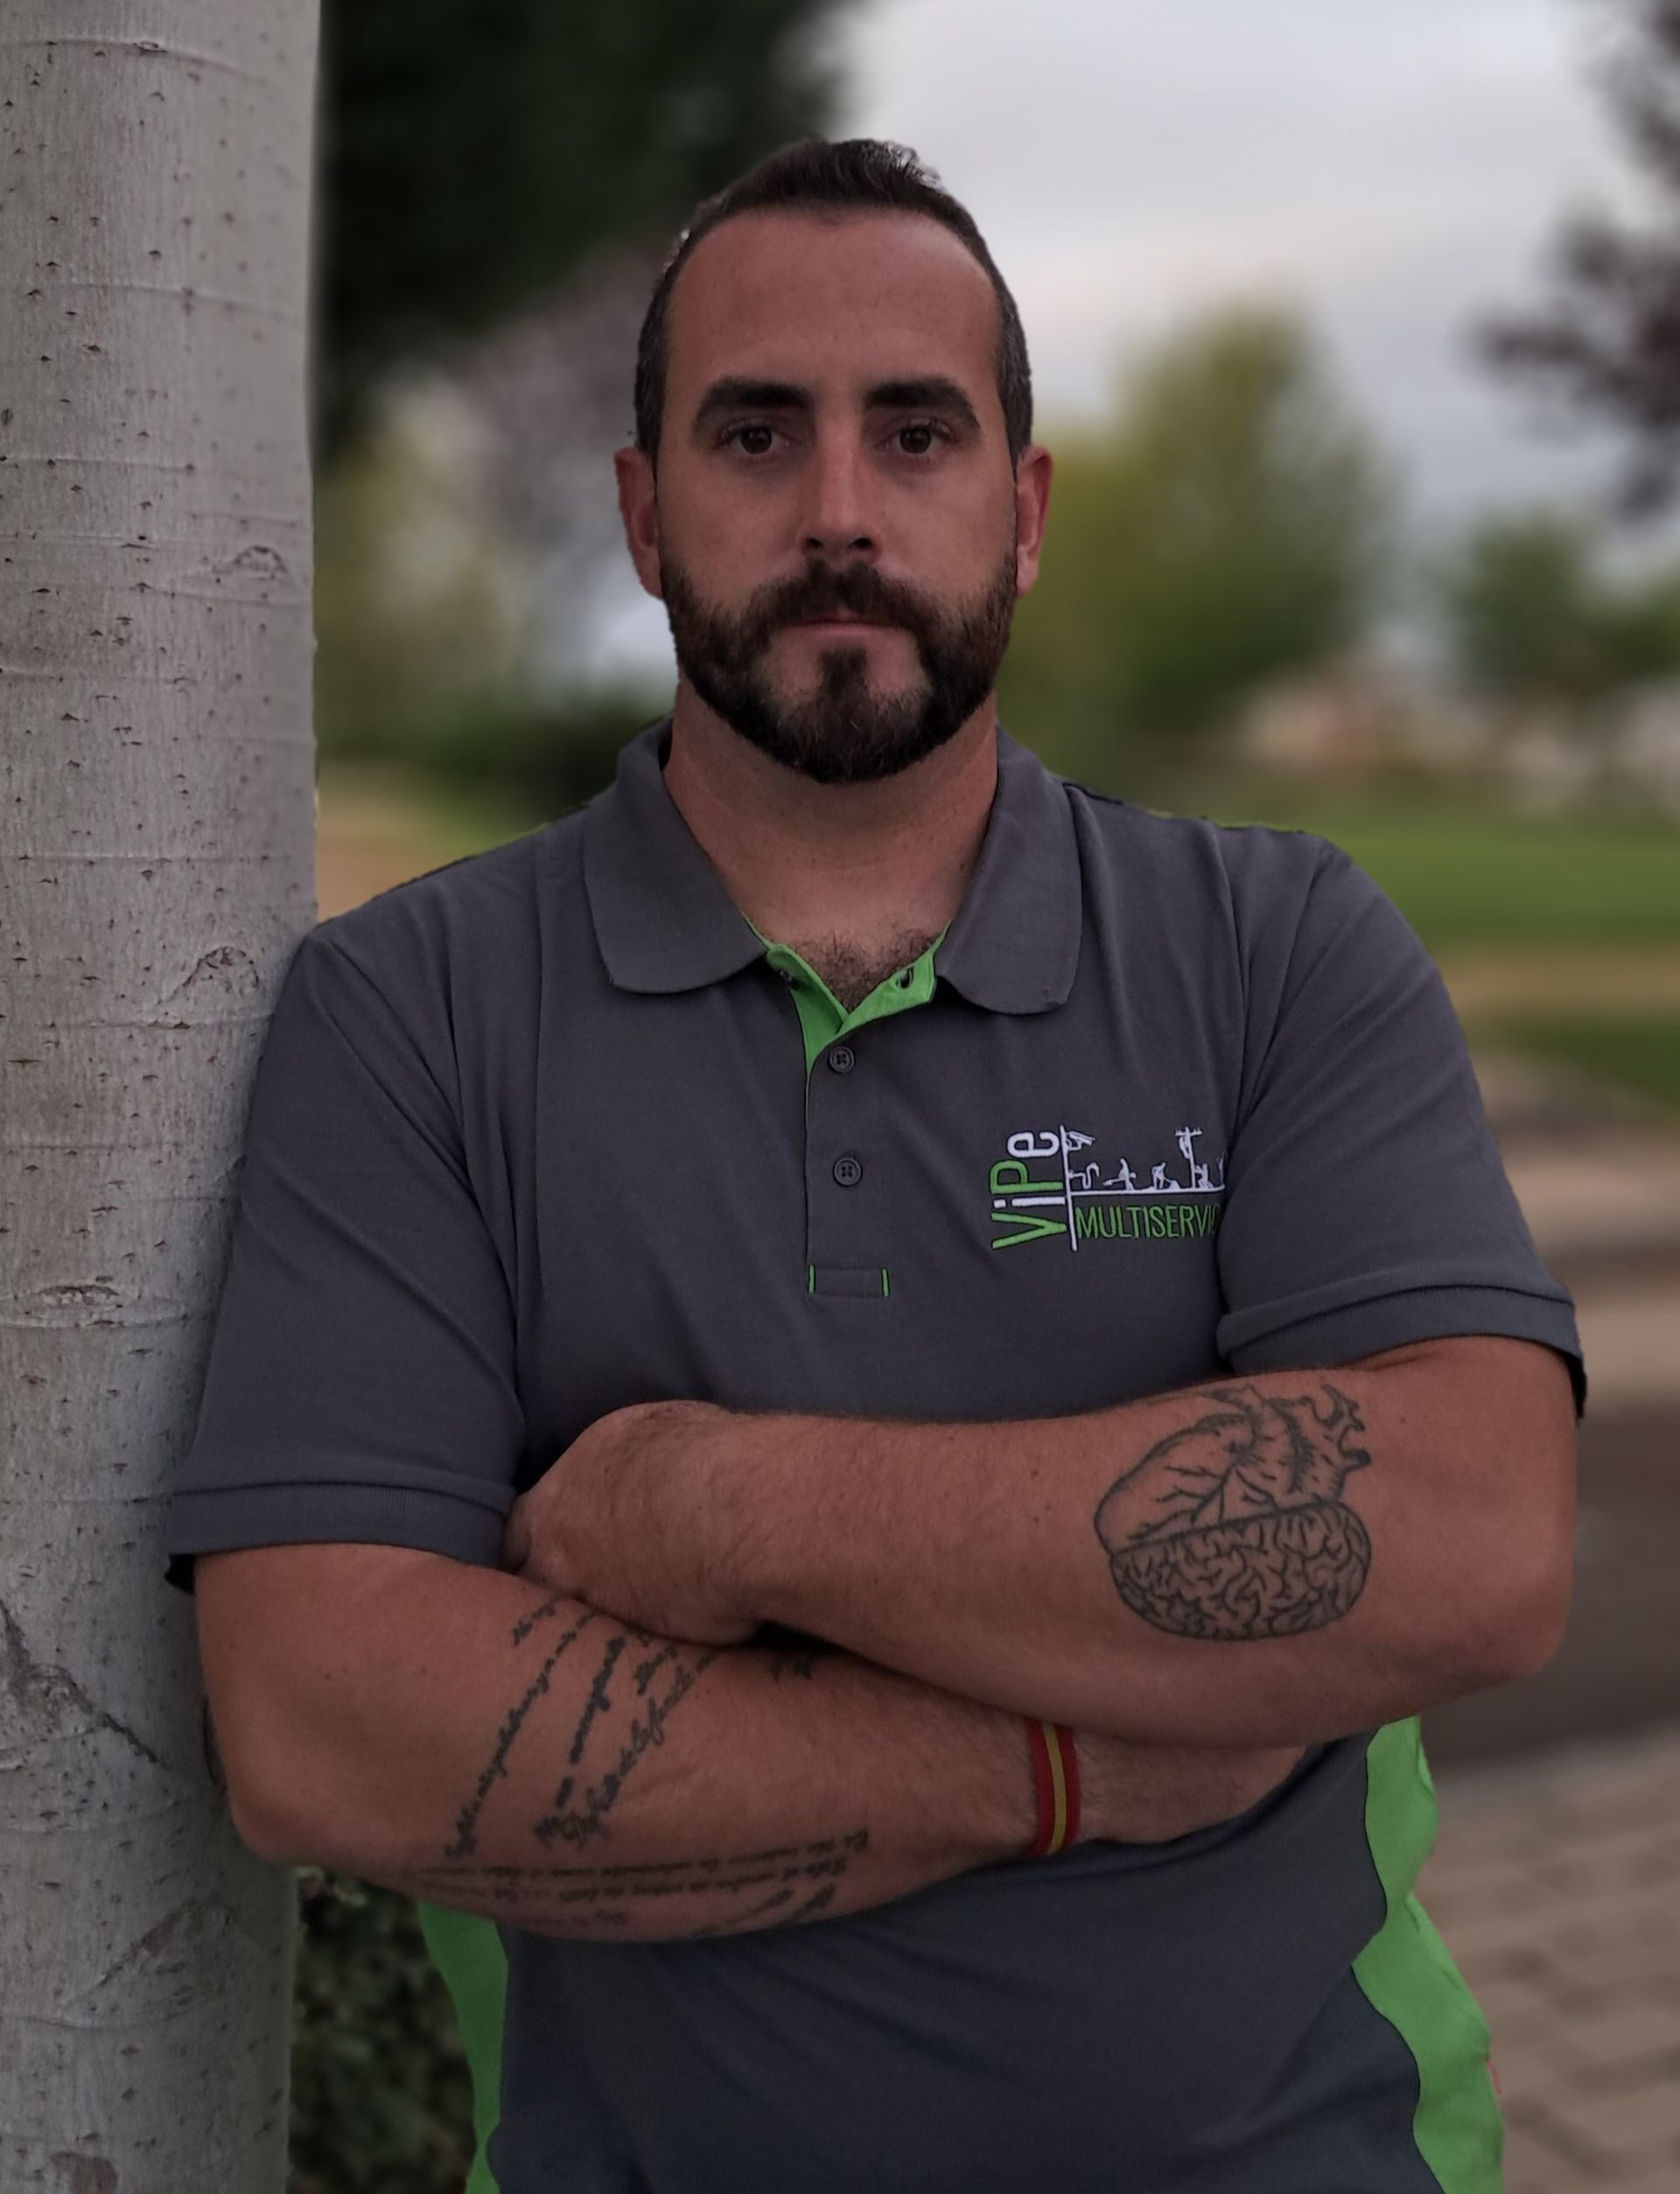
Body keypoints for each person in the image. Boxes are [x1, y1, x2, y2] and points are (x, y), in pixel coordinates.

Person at [166, 137, 1584, 2194]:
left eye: (915, 432)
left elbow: (1473, 1538)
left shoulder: (1278, 946)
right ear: (645, 517)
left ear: (1021, 515)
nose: (840, 511)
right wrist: (1056, 1761)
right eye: (758, 433)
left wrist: (720, 1507)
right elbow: (316, 1718)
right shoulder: (413, 1015)